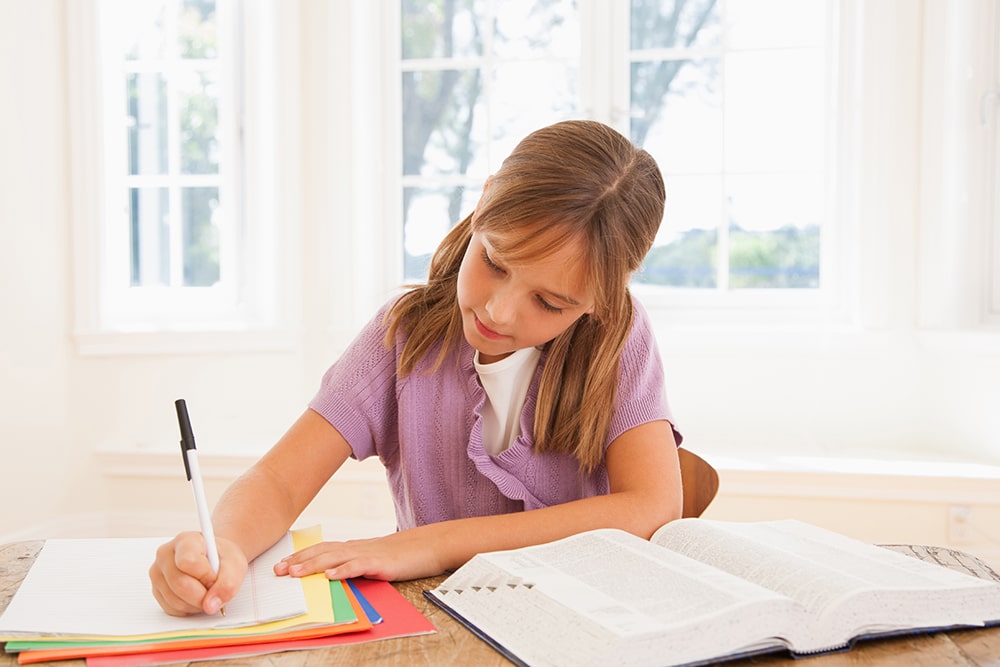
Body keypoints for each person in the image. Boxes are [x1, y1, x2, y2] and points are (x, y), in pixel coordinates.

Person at [149, 119, 684, 617]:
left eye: (549, 302)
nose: (499, 311)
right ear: (483, 202)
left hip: (581, 618)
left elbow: (653, 506)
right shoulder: (405, 337)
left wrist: (431, 543)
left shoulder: (618, 339)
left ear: (604, 295)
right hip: (437, 619)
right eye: (494, 263)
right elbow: (278, 481)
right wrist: (226, 546)